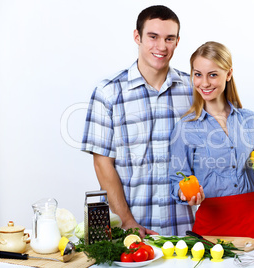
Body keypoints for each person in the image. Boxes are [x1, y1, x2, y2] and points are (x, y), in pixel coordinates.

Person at [169, 41, 254, 238]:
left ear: (229, 74)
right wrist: (184, 193)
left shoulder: (250, 121)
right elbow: (176, 179)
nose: (204, 83)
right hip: (211, 226)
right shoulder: (185, 127)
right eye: (198, 74)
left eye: (213, 74)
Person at [81, 5, 195, 237]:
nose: (162, 46)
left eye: (169, 38)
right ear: (137, 37)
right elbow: (103, 164)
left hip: (187, 231)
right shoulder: (109, 92)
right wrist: (127, 221)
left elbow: (214, 154)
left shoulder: (193, 90)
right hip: (134, 234)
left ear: (177, 41)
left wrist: (247, 196)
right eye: (153, 37)